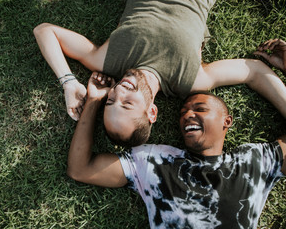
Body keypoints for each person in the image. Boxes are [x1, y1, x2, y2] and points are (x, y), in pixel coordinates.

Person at [33, 0, 286, 146]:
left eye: (110, 102)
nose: (119, 92)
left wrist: (68, 82)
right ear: (152, 112)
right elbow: (253, 71)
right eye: (127, 103)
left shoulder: (108, 60)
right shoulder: (190, 80)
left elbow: (44, 31)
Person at [66, 71, 286, 228]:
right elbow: (81, 169)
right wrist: (94, 100)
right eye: (182, 112)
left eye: (200, 109)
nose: (187, 115)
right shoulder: (155, 161)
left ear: (226, 121)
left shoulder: (254, 162)